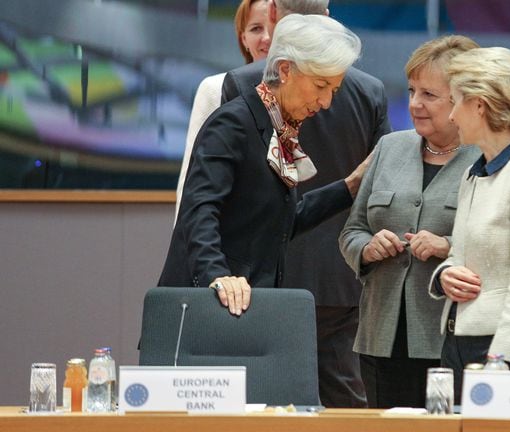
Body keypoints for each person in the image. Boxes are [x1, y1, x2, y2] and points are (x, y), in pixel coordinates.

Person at [220, 0, 391, 408]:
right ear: (328, 14)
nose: (325, 100)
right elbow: (379, 185)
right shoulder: (370, 90)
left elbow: (228, 191)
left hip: (256, 279)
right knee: (345, 406)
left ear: (277, 15)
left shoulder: (241, 82)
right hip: (340, 277)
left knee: (257, 403)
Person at [158, 15, 365, 322]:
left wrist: (350, 186)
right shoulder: (233, 123)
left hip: (245, 308)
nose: (325, 102)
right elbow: (198, 210)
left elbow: (282, 222)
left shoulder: (279, 129)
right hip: (204, 308)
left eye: (333, 90)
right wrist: (218, 275)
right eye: (321, 85)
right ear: (285, 70)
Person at [338, 36, 481, 408]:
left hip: (449, 337)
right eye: (412, 90)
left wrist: (447, 246)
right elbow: (352, 232)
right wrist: (367, 249)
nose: (414, 103)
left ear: (462, 99)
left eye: (429, 95)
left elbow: (501, 243)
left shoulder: (487, 159)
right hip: (380, 337)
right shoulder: (389, 148)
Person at [430, 47, 510, 401]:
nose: (452, 115)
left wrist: (498, 361)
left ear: (480, 105)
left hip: (505, 353)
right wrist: (444, 276)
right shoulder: (476, 173)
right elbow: (460, 255)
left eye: (456, 102)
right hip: (459, 343)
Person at [175, 0, 274, 219]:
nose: (267, 38)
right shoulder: (215, 88)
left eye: (274, 26)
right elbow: (191, 177)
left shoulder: (309, 94)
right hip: (226, 235)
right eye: (256, 28)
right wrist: (185, 244)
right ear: (243, 39)